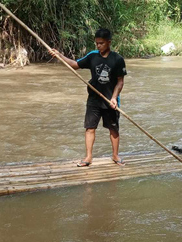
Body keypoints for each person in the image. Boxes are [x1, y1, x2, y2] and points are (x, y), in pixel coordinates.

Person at [49, 28, 127, 167]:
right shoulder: (92, 56)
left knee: (113, 129)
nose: (98, 46)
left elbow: (120, 81)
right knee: (90, 128)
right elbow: (75, 65)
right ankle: (88, 157)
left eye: (101, 43)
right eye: (96, 43)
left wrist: (114, 98)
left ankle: (115, 155)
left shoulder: (117, 59)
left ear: (109, 42)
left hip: (110, 100)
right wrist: (60, 55)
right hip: (94, 100)